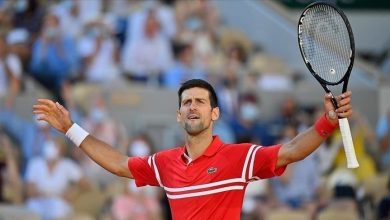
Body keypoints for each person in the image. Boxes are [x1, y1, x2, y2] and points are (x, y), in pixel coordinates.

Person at [32, 79, 353, 220]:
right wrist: (70, 129)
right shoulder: (165, 162)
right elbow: (118, 164)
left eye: (200, 101)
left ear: (215, 113)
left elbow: (292, 150)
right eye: (186, 102)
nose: (192, 107)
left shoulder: (239, 157)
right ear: (178, 114)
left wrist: (327, 121)